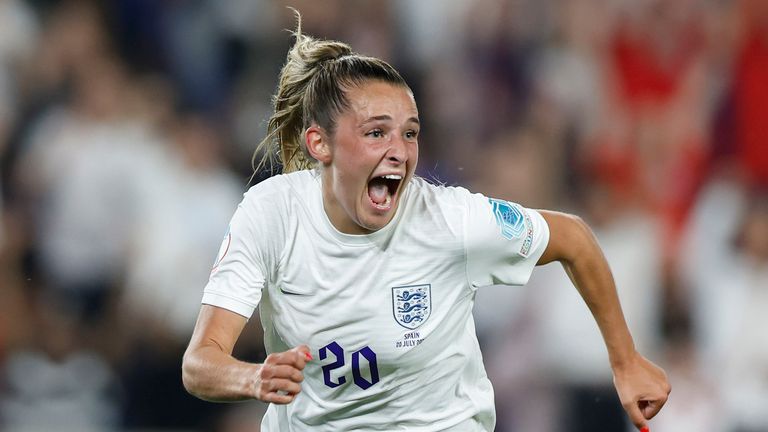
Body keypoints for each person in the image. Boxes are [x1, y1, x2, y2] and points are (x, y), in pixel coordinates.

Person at [182, 13, 670, 432]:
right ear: (319, 145)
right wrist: (253, 378)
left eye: (410, 133)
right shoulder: (271, 214)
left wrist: (626, 362)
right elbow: (200, 363)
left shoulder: (449, 220)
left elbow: (574, 238)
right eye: (377, 133)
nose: (399, 150)